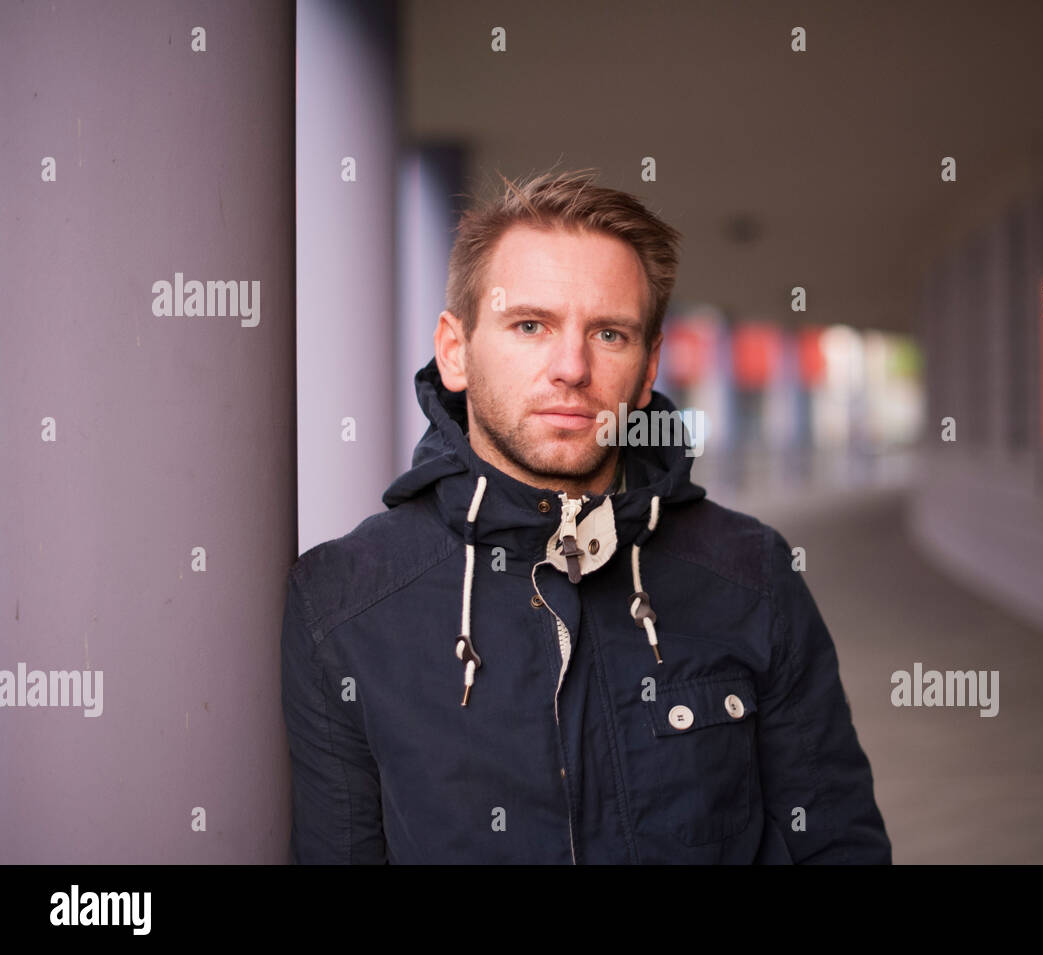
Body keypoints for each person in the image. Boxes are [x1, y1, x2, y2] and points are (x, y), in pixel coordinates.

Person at [280, 168, 892, 864]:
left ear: (649, 363)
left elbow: (838, 846)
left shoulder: (751, 572)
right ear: (455, 350)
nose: (571, 366)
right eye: (531, 324)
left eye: (609, 333)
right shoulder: (342, 600)